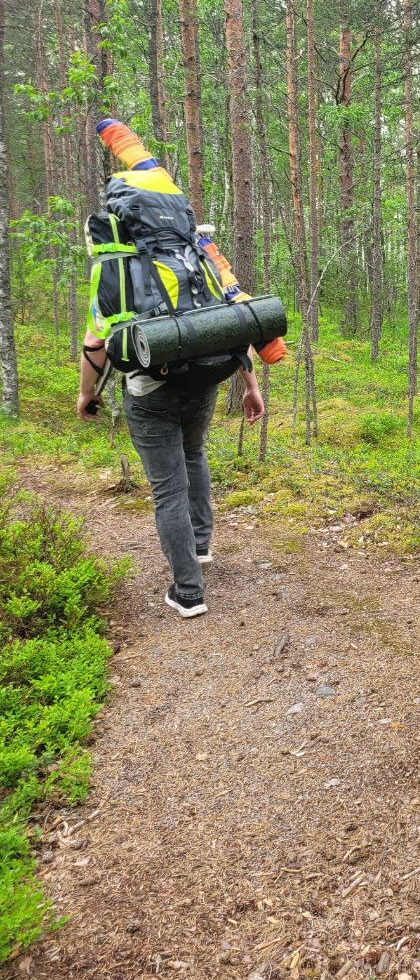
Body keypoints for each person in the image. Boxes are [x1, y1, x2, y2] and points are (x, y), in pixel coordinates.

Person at [76, 119, 284, 619]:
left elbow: (95, 342)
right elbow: (231, 318)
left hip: (150, 390)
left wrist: (86, 395)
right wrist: (250, 384)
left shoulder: (114, 266)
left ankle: (187, 591)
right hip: (208, 374)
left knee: (168, 485)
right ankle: (202, 545)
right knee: (194, 455)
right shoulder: (198, 254)